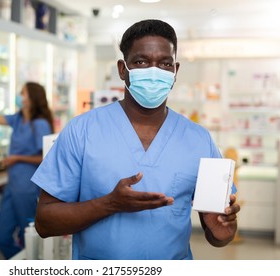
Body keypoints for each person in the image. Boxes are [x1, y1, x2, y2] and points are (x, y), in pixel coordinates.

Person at [30, 19, 241, 260]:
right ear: (123, 69)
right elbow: (44, 223)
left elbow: (218, 234)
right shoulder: (83, 131)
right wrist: (111, 204)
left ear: (175, 71)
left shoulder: (199, 140)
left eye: (165, 63)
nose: (154, 71)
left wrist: (222, 229)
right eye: (141, 62)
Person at [0, 81, 54, 259]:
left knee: (27, 235)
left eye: (23, 93)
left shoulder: (40, 124)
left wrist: (18, 158)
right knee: (1, 237)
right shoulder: (18, 119)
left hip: (27, 187)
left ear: (32, 98)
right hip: (12, 186)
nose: (19, 96)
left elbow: (46, 158)